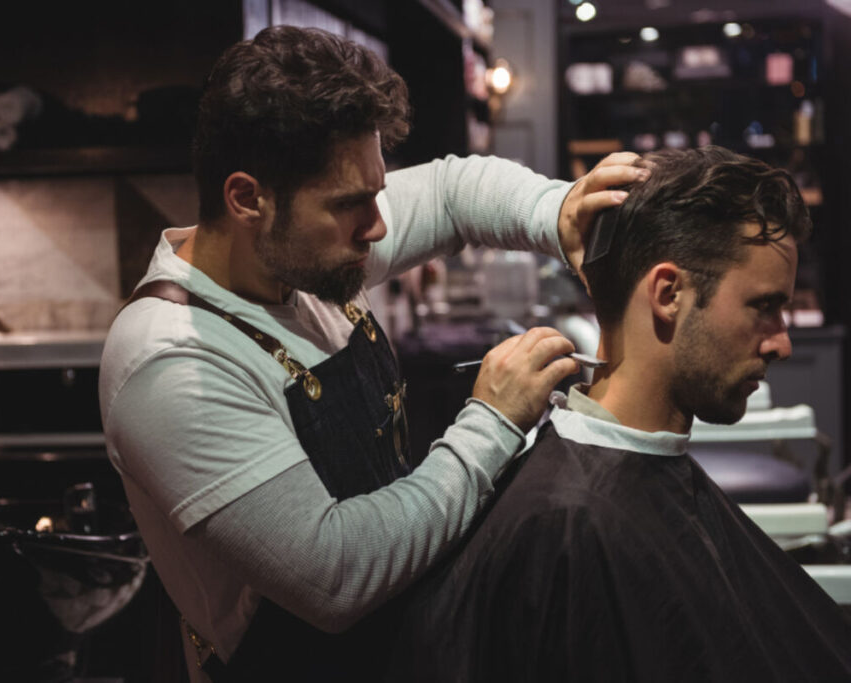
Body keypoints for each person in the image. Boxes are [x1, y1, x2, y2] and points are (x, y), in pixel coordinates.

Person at [99, 25, 645, 681]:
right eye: (351, 204)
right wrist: (491, 423)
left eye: (376, 192)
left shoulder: (299, 251)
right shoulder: (172, 360)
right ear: (247, 198)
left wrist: (558, 211)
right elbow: (336, 573)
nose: (379, 226)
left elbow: (451, 192)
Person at [385, 146, 851, 683]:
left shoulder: (612, 496)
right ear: (668, 293)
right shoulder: (567, 525)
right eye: (764, 306)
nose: (783, 343)